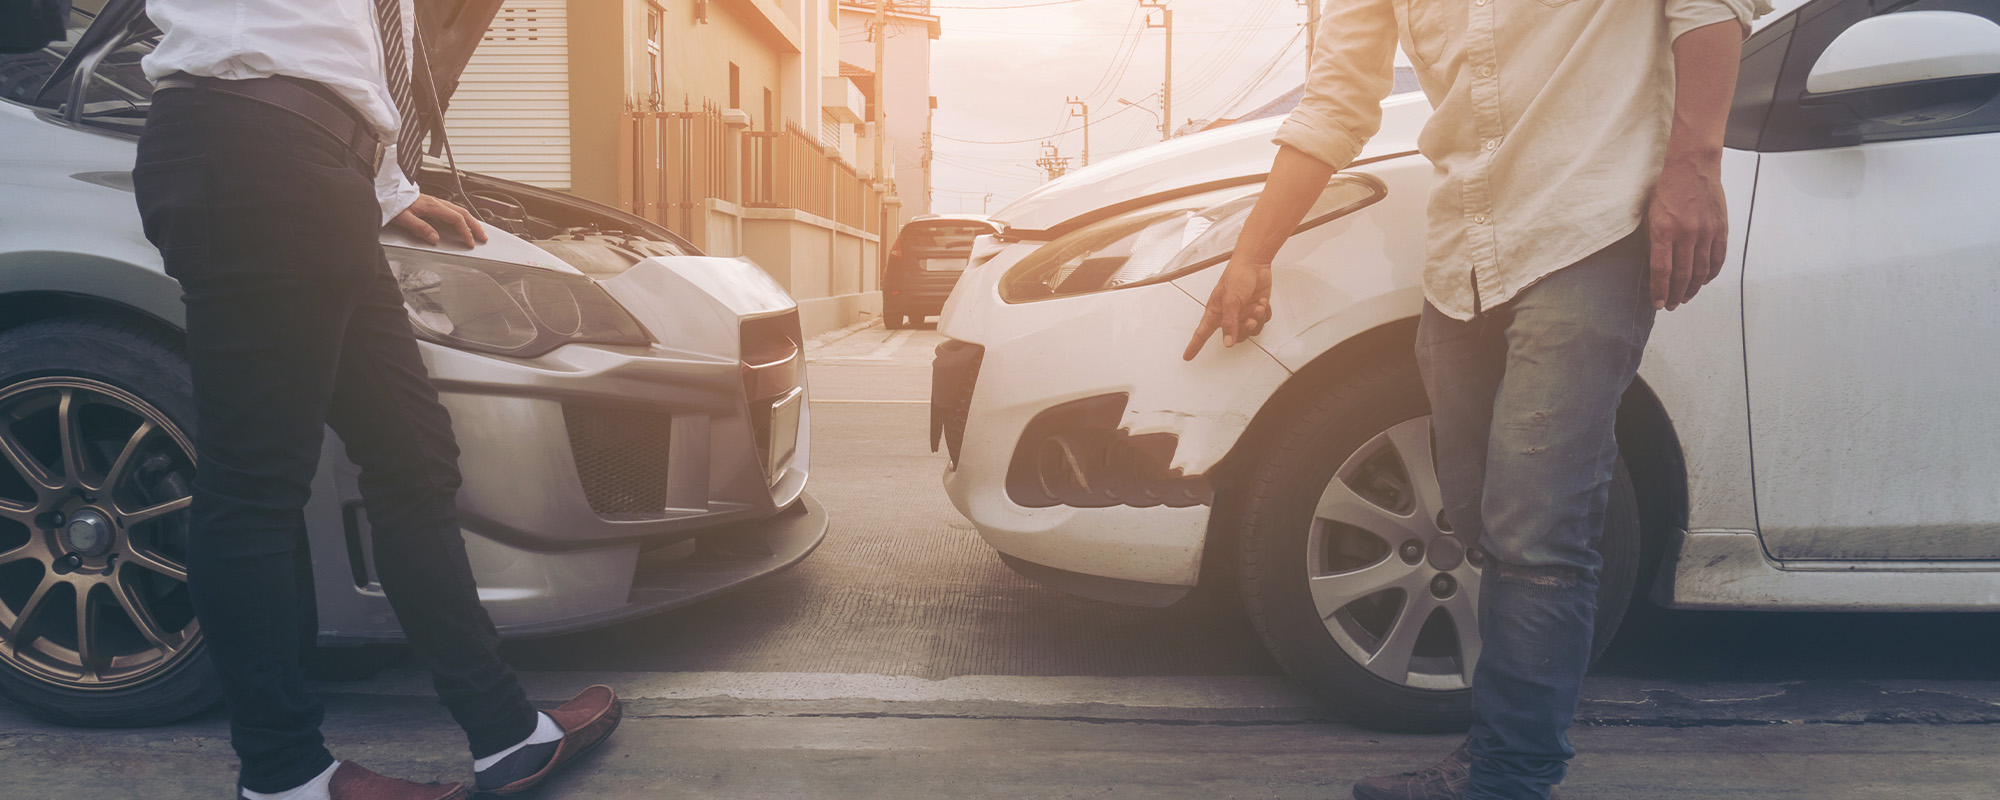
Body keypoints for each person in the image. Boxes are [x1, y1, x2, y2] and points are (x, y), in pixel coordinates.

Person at [1184, 1, 1768, 798]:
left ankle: (1511, 775)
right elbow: (1336, 101)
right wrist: (1252, 253)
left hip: (1590, 225)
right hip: (1465, 251)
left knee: (1538, 526)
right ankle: (1499, 751)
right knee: (1478, 516)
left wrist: (1695, 163)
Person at [131, 1, 620, 797]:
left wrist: (386, 185)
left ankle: (502, 732)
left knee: (413, 454)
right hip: (252, 146)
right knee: (255, 484)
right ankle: (283, 773)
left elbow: (350, 43)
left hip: (318, 167)